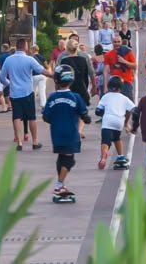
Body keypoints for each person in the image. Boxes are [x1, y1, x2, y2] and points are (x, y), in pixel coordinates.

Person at [42, 65, 90, 199]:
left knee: (61, 158)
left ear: (56, 80)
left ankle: (61, 184)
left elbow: (46, 116)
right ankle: (58, 185)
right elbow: (84, 115)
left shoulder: (51, 97)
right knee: (69, 160)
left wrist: (56, 121)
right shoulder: (75, 97)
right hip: (71, 134)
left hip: (56, 134)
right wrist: (86, 118)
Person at [0, 38, 53, 150]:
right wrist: (54, 76)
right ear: (25, 47)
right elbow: (42, 71)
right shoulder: (30, 59)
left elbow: (1, 77)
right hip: (27, 92)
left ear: (17, 46)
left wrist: (9, 83)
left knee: (17, 117)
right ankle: (35, 142)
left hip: (14, 93)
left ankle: (19, 142)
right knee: (31, 118)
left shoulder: (9, 60)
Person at [95, 76, 134, 170]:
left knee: (105, 141)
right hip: (119, 121)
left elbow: (98, 111)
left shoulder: (106, 96)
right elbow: (134, 109)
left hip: (107, 121)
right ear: (121, 87)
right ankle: (120, 156)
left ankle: (104, 157)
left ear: (109, 86)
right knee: (117, 138)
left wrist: (102, 112)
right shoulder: (124, 98)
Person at [60, 39, 96, 137]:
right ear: (77, 48)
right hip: (81, 87)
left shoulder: (63, 61)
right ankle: (79, 131)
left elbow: (59, 76)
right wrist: (91, 86)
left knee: (70, 109)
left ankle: (74, 129)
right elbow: (88, 74)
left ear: (67, 48)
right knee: (82, 110)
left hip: (68, 88)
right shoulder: (83, 59)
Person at [104, 36, 137, 101]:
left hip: (126, 82)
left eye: (118, 42)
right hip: (114, 82)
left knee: (129, 106)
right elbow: (106, 71)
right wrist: (105, 86)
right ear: (112, 43)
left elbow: (135, 66)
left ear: (121, 42)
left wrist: (124, 61)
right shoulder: (108, 54)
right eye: (115, 42)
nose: (117, 44)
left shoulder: (128, 52)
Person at [0, 44, 13, 113]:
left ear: (4, 48)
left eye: (1, 48)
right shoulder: (11, 56)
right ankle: (10, 106)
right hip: (10, 76)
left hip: (3, 76)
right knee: (7, 92)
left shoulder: (2, 56)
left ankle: (5, 107)